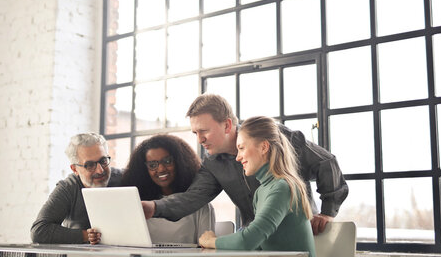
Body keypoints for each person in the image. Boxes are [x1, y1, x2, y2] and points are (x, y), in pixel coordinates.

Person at [142, 94, 348, 235]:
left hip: (295, 239)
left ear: (227, 125)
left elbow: (326, 162)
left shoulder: (274, 136)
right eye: (195, 133)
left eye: (204, 131)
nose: (200, 139)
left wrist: (327, 212)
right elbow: (190, 199)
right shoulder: (213, 164)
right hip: (254, 243)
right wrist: (153, 207)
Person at [198, 116, 316, 255]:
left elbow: (248, 241)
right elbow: (258, 246)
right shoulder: (261, 191)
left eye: (241, 148)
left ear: (264, 147)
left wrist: (211, 241)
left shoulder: (282, 188)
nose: (238, 157)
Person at [88, 134, 215, 245]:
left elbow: (207, 249)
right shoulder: (138, 205)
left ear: (180, 162)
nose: (161, 169)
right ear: (144, 170)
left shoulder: (200, 206)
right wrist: (98, 236)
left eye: (167, 161)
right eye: (152, 165)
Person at [31, 132, 122, 244]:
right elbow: (39, 231)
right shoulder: (68, 188)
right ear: (74, 169)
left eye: (103, 161)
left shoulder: (124, 178)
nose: (100, 170)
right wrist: (87, 236)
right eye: (90, 165)